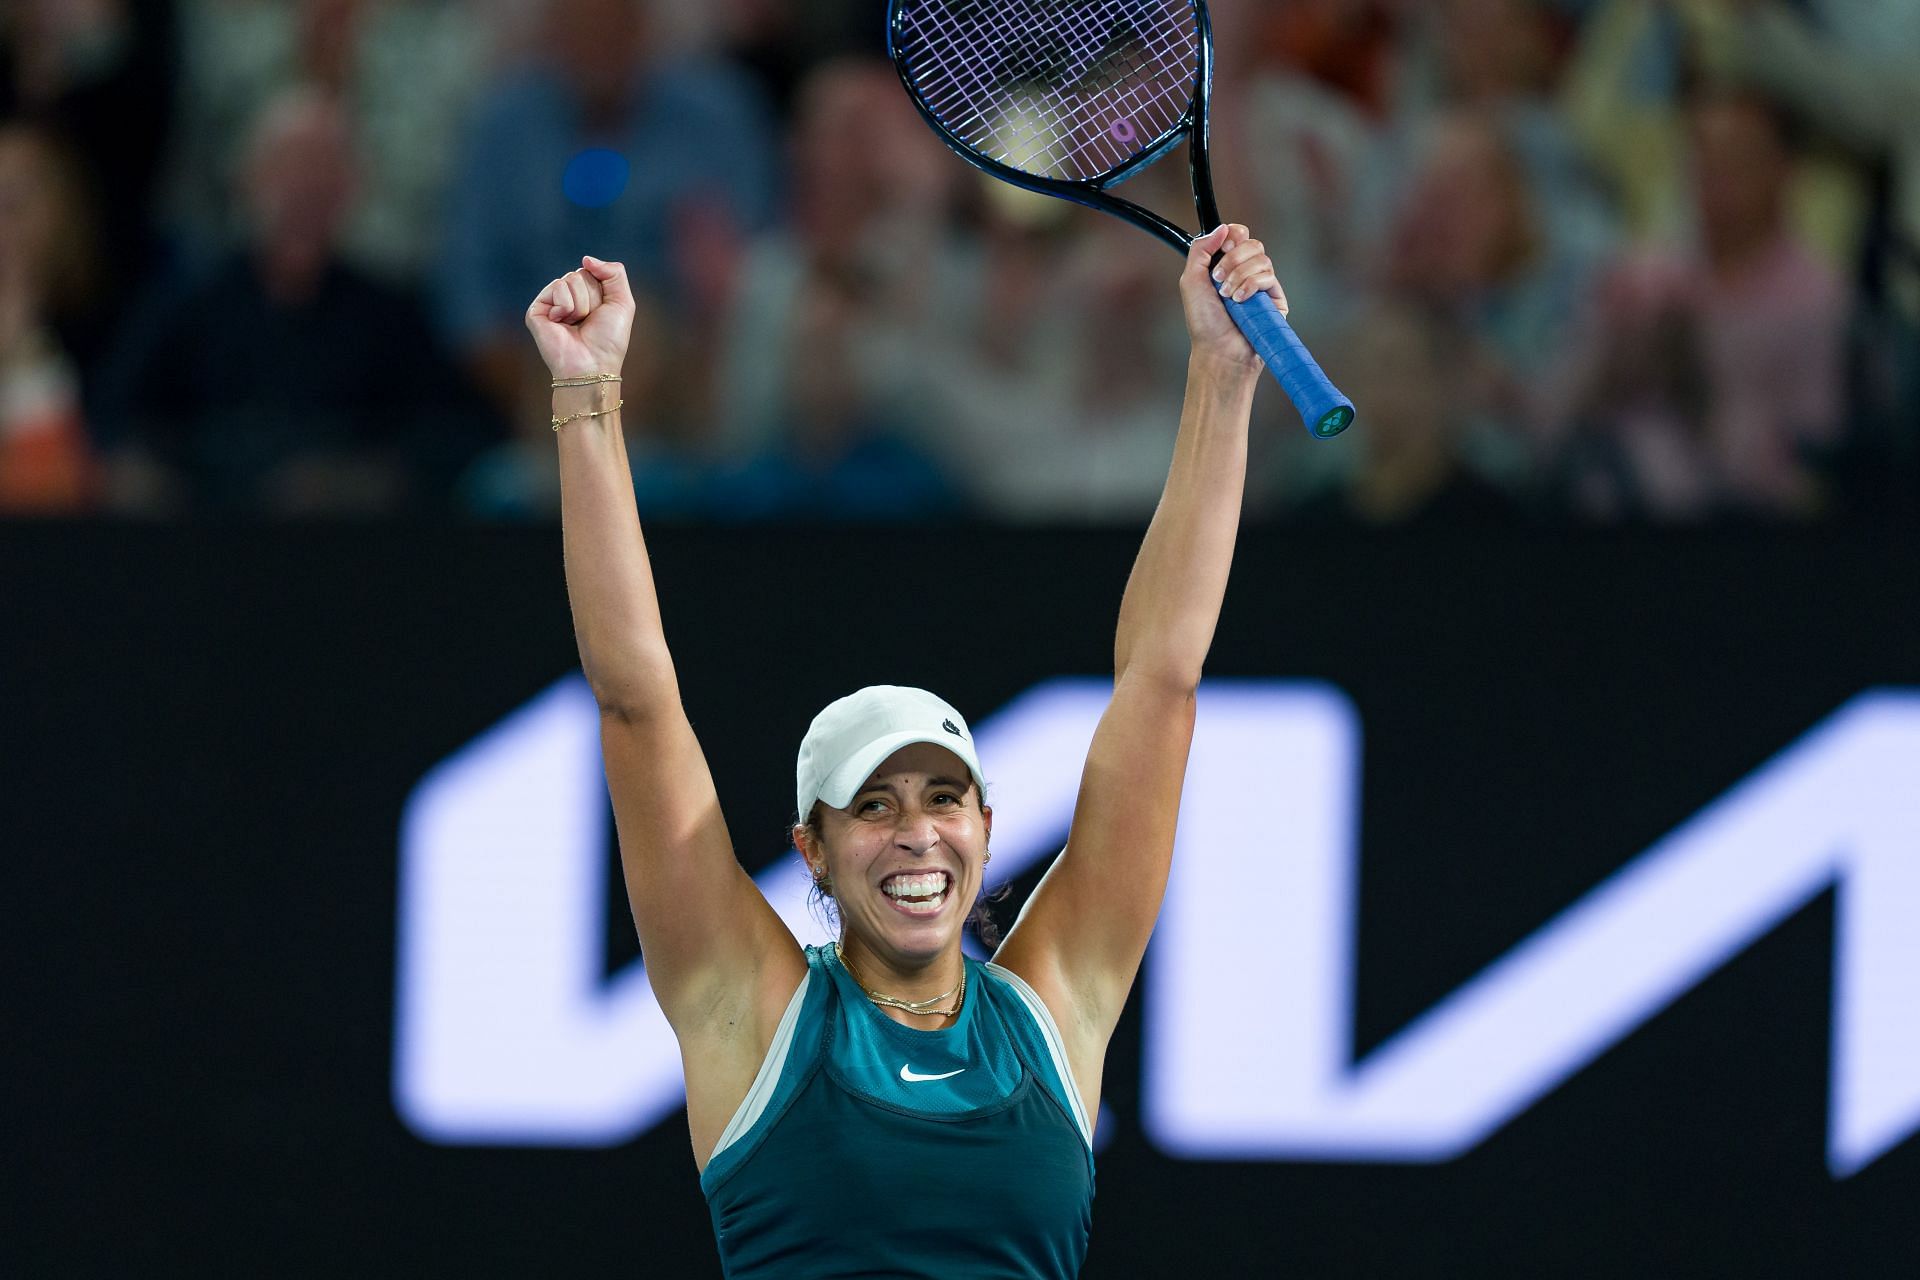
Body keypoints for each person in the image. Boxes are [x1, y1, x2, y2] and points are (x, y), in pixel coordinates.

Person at [524, 222, 1287, 1275]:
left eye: (942, 797)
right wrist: (588, 394)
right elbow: (635, 703)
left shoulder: (1055, 1004)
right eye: (873, 806)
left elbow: (1162, 677)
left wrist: (1221, 368)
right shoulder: (750, 1010)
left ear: (984, 826)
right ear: (813, 849)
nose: (917, 830)